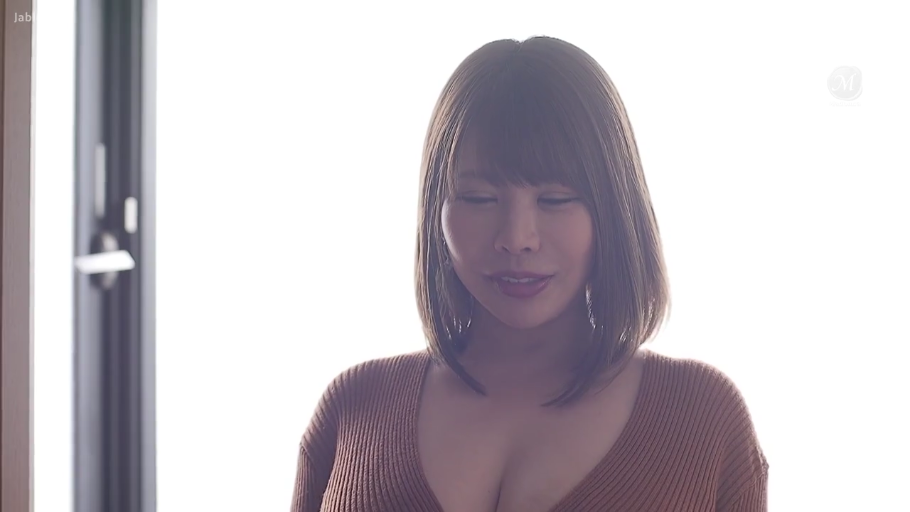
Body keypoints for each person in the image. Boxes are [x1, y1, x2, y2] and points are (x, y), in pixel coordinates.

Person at [290, 36, 768, 512]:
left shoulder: (704, 418)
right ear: (436, 209)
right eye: (479, 198)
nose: (517, 238)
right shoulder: (354, 406)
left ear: (615, 209)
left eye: (555, 199)